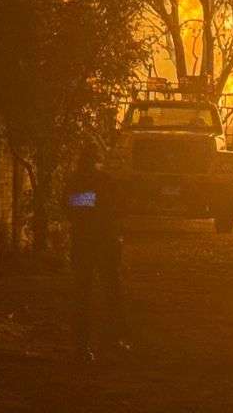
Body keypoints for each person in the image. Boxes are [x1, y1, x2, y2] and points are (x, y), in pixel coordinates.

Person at [65, 143, 128, 360]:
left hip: (85, 241)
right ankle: (110, 340)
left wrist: (92, 202)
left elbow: (71, 207)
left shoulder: (76, 181)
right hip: (104, 241)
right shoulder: (106, 181)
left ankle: (82, 345)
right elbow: (117, 208)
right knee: (111, 292)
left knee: (83, 293)